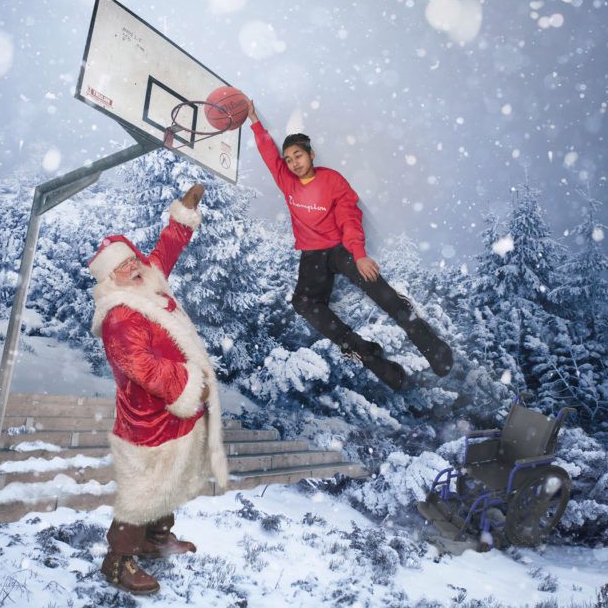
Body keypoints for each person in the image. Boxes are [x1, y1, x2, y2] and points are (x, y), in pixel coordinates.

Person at [246, 105, 453, 391]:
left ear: (311, 155)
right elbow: (268, 154)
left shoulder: (331, 180)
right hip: (312, 253)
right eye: (289, 158)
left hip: (340, 247)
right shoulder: (286, 181)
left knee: (375, 286)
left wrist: (358, 254)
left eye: (299, 155)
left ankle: (429, 343)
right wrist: (254, 120)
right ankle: (365, 353)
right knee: (303, 303)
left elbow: (349, 217)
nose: (293, 162)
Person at [88, 183, 228, 595]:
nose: (133, 266)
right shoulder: (119, 316)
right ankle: (118, 560)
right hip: (148, 416)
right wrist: (191, 385)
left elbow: (166, 250)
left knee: (175, 473)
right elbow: (143, 366)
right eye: (123, 266)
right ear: (109, 279)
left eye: (133, 259)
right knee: (144, 488)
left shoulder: (147, 279)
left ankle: (155, 538)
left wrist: (184, 214)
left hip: (175, 411)